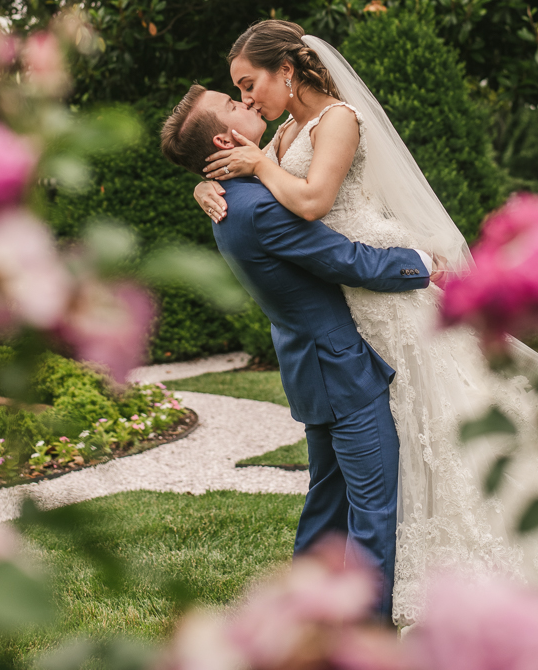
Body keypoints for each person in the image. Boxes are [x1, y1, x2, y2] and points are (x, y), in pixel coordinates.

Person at [169, 22, 538, 626]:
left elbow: (306, 202)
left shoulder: (333, 120)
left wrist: (249, 171)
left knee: (437, 433)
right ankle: (346, 624)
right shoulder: (282, 134)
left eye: (246, 84)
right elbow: (282, 205)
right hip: (356, 312)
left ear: (286, 70)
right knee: (386, 472)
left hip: (382, 299)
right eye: (236, 95)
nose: (245, 98)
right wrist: (208, 183)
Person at [161, 83, 432, 622]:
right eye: (235, 104)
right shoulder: (258, 207)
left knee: (327, 506)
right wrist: (423, 263)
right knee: (373, 513)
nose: (247, 102)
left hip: (309, 369)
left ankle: (294, 629)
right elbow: (347, 261)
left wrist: (205, 181)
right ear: (224, 136)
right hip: (341, 371)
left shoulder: (234, 195)